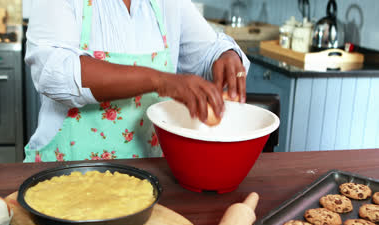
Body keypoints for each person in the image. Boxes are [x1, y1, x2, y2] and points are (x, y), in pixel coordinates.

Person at [24, 0, 250, 162]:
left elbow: (210, 50)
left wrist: (227, 56)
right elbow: (55, 71)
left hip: (147, 174)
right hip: (66, 172)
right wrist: (160, 80)